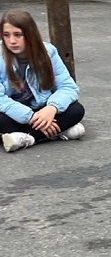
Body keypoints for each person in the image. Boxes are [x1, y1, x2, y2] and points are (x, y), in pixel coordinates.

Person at [1, 9, 86, 153]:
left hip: (42, 109)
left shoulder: (48, 52)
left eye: (18, 35)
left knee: (76, 110)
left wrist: (51, 108)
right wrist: (30, 117)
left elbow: (68, 87)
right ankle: (57, 131)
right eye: (6, 35)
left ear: (30, 34)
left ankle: (28, 137)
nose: (12, 41)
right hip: (15, 113)